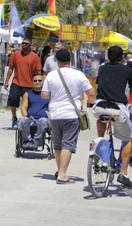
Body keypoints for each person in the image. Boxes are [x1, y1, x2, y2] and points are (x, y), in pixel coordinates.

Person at [41, 49, 94, 184]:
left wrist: (56, 96)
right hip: (71, 113)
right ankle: (62, 174)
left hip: (54, 114)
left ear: (57, 62)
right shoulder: (79, 74)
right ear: (70, 60)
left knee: (58, 144)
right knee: (68, 144)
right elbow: (91, 92)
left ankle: (60, 170)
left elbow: (44, 95)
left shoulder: (51, 75)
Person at [92, 46, 132, 187]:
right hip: (117, 109)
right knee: (128, 138)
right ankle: (123, 172)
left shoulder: (102, 69)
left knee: (100, 117)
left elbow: (100, 83)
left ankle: (100, 139)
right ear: (122, 57)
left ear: (108, 56)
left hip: (99, 106)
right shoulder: (127, 70)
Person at [5, 38, 42, 128]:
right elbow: (11, 68)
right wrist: (6, 81)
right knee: (13, 100)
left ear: (30, 46)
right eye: (23, 43)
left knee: (28, 104)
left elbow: (38, 71)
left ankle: (28, 119)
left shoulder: (35, 57)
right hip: (16, 82)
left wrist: (38, 83)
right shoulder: (16, 55)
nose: (24, 45)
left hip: (29, 84)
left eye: (27, 44)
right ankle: (14, 118)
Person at [18, 74, 50, 150]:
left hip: (44, 119)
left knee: (43, 120)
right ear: (32, 82)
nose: (37, 82)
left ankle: (37, 141)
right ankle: (26, 141)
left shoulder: (48, 94)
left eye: (39, 80)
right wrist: (26, 115)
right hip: (31, 118)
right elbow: (23, 108)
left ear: (43, 82)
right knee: (22, 119)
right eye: (35, 81)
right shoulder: (27, 94)